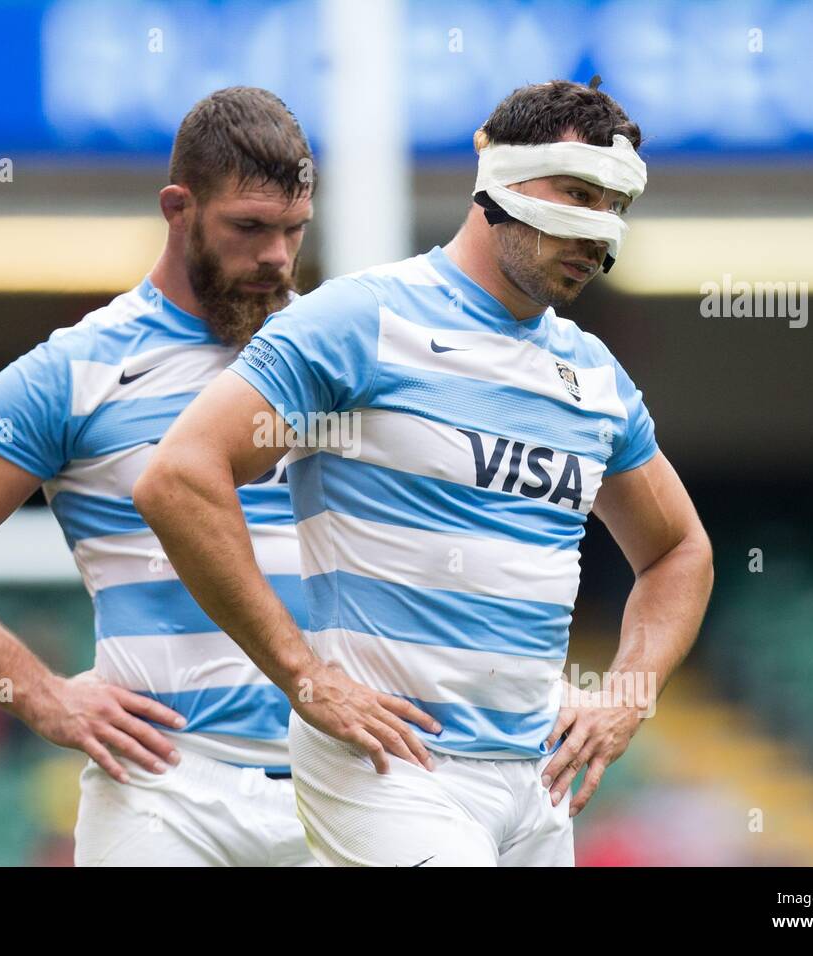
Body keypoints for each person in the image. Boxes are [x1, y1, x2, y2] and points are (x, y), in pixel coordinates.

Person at [134, 79, 714, 866]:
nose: (597, 233)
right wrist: (305, 677)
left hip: (536, 784)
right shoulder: (360, 322)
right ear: (498, 177)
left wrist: (627, 697)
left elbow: (678, 552)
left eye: (615, 207)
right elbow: (179, 475)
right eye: (577, 194)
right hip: (395, 771)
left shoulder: (594, 376)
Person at [0, 87, 318, 866]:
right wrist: (40, 695)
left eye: (293, 231)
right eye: (249, 227)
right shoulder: (76, 370)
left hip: (338, 784)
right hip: (166, 795)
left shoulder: (334, 354)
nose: (275, 255)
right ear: (179, 208)